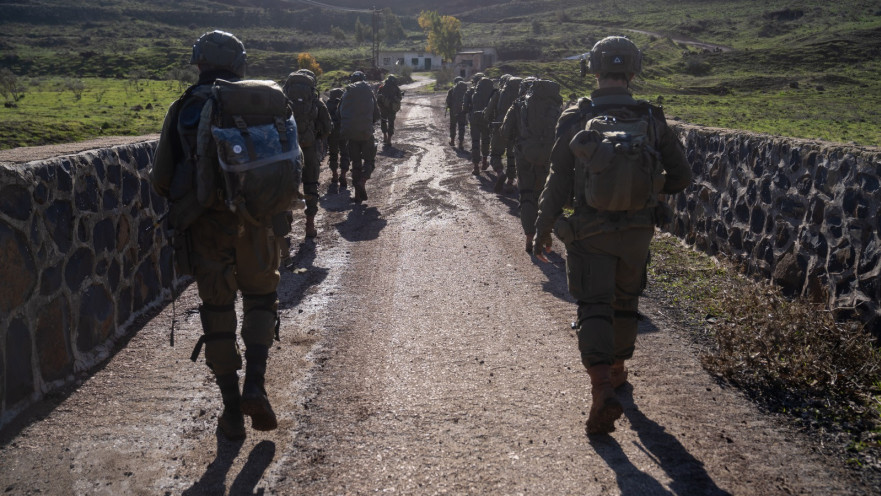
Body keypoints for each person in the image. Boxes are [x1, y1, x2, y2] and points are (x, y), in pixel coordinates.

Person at [533, 36, 693, 434]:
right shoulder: (652, 118)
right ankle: (619, 370)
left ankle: (602, 388)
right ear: (633, 72)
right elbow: (682, 176)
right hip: (638, 230)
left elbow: (558, 178)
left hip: (589, 229)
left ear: (593, 70)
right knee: (626, 300)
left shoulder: (575, 117)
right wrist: (648, 190)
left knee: (594, 305)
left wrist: (542, 226)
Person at [151, 30, 286, 440]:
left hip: (207, 229)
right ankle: (256, 385)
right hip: (258, 224)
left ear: (200, 62)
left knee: (218, 315)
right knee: (262, 299)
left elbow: (160, 179)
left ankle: (230, 413)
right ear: (240, 64)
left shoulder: (184, 109)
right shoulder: (264, 102)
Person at [502, 77, 561, 254]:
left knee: (526, 194)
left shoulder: (519, 105)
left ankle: (529, 236)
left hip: (524, 154)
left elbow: (505, 132)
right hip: (548, 155)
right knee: (544, 194)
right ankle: (545, 234)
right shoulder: (555, 107)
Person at [283, 69, 331, 238]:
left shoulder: (281, 101)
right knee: (310, 185)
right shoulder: (316, 102)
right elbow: (328, 127)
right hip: (309, 149)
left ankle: (287, 218)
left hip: (287, 151)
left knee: (288, 187)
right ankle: (309, 225)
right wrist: (317, 136)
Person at [338, 71, 380, 203]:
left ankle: (357, 195)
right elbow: (377, 114)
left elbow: (339, 113)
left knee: (356, 164)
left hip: (351, 135)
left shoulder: (346, 93)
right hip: (366, 133)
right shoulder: (369, 93)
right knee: (369, 161)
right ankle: (362, 181)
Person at [487, 74, 521, 193]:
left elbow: (490, 109)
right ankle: (510, 182)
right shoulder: (523, 94)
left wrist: (488, 120)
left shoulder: (499, 93)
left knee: (496, 153)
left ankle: (500, 172)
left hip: (500, 125)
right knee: (512, 155)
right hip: (516, 128)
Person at [464, 73, 495, 175]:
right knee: (486, 139)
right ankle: (485, 162)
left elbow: (465, 107)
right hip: (487, 118)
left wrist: (467, 112)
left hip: (474, 119)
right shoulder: (492, 91)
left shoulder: (471, 91)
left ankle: (476, 166)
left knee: (475, 141)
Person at [324, 87, 350, 188]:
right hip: (343, 131)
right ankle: (343, 174)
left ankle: (334, 174)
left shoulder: (326, 105)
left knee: (333, 153)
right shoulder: (345, 104)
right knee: (345, 153)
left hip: (332, 132)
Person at [377, 74, 404, 146]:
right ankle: (389, 139)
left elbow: (378, 97)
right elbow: (400, 98)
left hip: (383, 109)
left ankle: (385, 136)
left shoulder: (382, 87)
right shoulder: (396, 88)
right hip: (392, 109)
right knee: (391, 123)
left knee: (383, 121)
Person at [446, 76, 468, 149]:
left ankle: (452, 140)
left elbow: (448, 101)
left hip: (453, 111)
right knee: (461, 126)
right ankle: (461, 143)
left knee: (453, 125)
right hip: (462, 111)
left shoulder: (451, 90)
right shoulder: (465, 90)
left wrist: (450, 106)